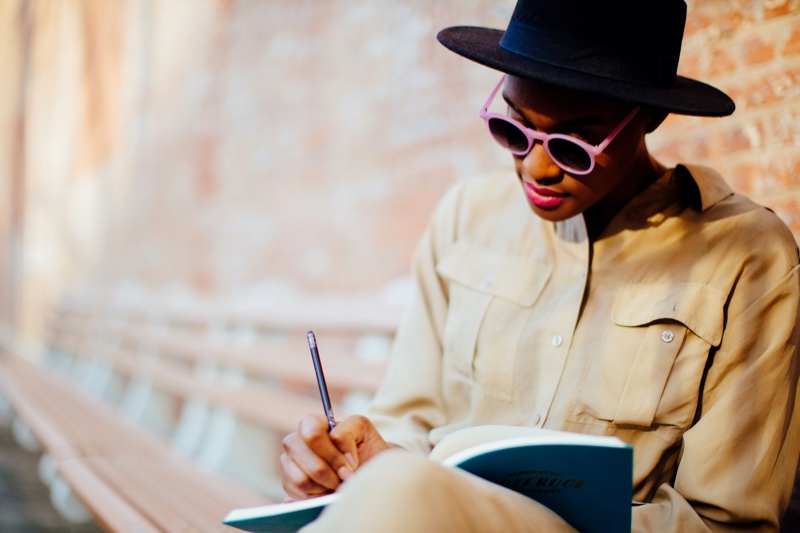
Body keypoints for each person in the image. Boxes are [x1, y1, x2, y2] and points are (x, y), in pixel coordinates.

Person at [280, 0, 800, 531]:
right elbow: (407, 416)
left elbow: (727, 522)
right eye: (514, 131)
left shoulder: (747, 256)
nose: (536, 168)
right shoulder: (465, 218)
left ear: (649, 116)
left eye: (574, 145)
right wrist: (352, 460)